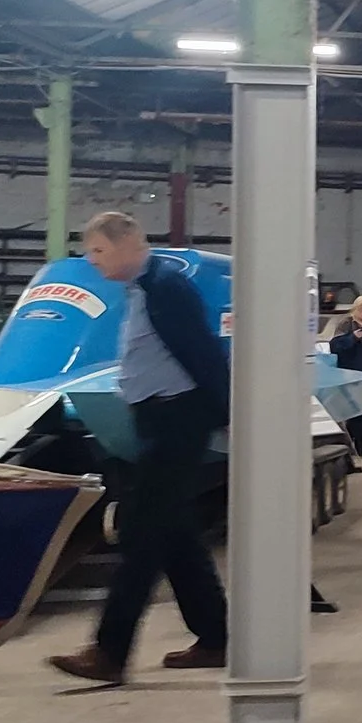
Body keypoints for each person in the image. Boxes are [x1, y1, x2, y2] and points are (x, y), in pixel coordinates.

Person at [47, 212, 228, 685]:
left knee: (141, 534)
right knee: (175, 534)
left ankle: (109, 651)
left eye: (99, 251)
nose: (92, 261)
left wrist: (227, 417)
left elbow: (203, 353)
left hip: (177, 421)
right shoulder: (142, 291)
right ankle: (216, 637)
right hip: (160, 420)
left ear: (128, 244)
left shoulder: (165, 288)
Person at [329, 297, 362, 457]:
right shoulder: (346, 324)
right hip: (350, 373)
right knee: (353, 412)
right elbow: (335, 346)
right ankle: (352, 443)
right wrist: (353, 338)